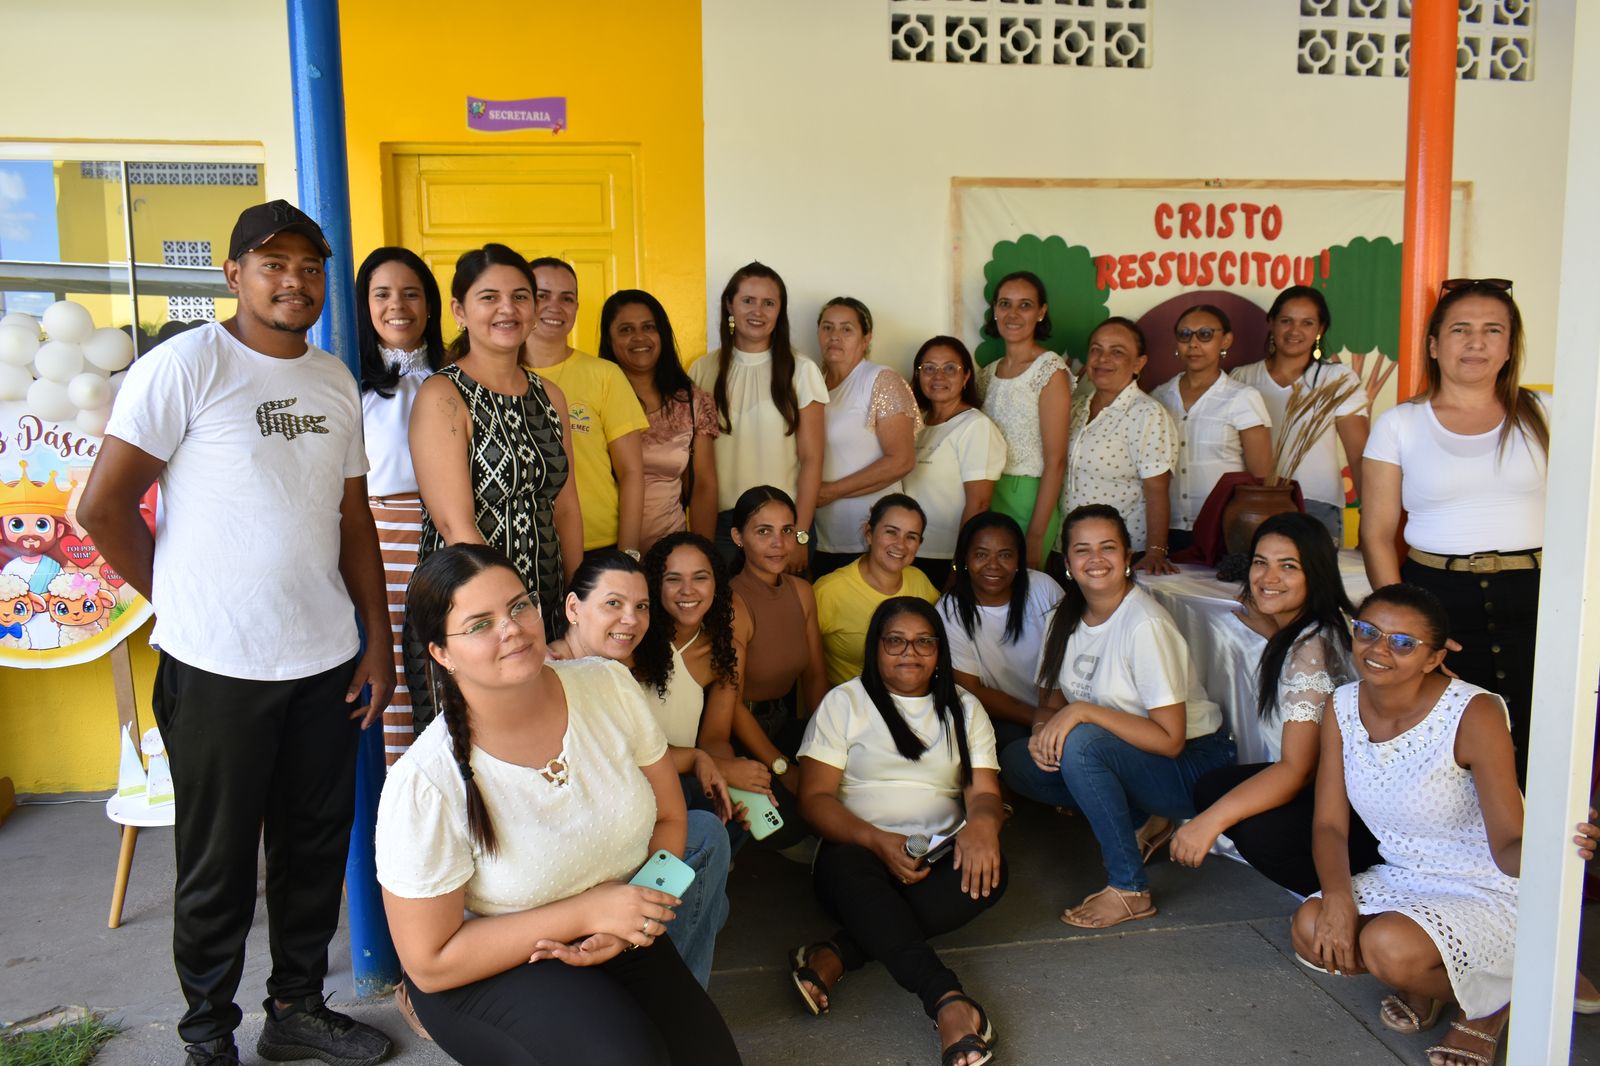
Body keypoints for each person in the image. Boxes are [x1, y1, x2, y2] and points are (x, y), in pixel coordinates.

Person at [78, 200, 395, 1066]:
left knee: (313, 847)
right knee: (217, 862)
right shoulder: (185, 366)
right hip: (218, 665)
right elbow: (101, 507)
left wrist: (377, 638)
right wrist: (179, 601)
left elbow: (353, 518)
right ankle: (207, 1034)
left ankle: (296, 1009)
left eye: (309, 267)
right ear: (234, 275)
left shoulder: (332, 380)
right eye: (273, 264)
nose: (294, 282)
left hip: (324, 660)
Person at [375, 545, 742, 1065]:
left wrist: (636, 918)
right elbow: (431, 961)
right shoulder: (424, 782)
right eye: (480, 624)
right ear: (441, 653)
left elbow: (669, 815)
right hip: (492, 966)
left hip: (615, 927)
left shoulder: (608, 686)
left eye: (518, 606)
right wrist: (589, 911)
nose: (512, 629)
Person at [1290, 584, 1520, 1066]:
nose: (1378, 650)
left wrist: (1558, 850)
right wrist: (1337, 899)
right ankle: (1432, 979)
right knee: (1311, 928)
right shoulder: (1341, 704)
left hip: (1486, 883)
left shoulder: (1474, 712)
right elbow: (1329, 824)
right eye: (1368, 632)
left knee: (1387, 948)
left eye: (1402, 643)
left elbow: (1509, 843)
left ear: (1434, 658)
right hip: (1405, 875)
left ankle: (1491, 1007)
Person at [791, 597, 1004, 1066]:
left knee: (990, 870)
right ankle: (946, 999)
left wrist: (984, 824)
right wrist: (875, 839)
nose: (910, 652)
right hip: (856, 853)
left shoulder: (964, 707)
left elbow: (984, 793)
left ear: (939, 650)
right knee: (853, 871)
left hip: (936, 854)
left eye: (924, 641)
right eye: (896, 641)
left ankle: (837, 952)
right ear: (876, 648)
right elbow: (815, 799)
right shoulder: (845, 703)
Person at [1000, 505, 1233, 930]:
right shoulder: (1063, 617)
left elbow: (1170, 741)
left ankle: (1130, 889)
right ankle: (1145, 819)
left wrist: (1082, 712)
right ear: (1067, 563)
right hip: (1130, 756)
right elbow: (1049, 700)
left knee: (1082, 744)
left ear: (1127, 556)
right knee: (1019, 760)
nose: (1095, 559)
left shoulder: (1144, 625)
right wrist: (1042, 731)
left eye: (1107, 547)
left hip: (1194, 764)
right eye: (1082, 549)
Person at [1359, 279, 1547, 786]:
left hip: (1536, 595)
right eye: (1461, 329)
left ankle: (1534, 835)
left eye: (1493, 330)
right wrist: (1407, 629)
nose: (1476, 342)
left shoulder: (1545, 415)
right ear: (1434, 344)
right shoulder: (1400, 424)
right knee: (1450, 740)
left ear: (1510, 346)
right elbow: (1376, 535)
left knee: (1542, 733)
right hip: (1438, 597)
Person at [545, 548, 734, 989]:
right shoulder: (548, 673)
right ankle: (668, 994)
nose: (630, 619)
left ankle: (663, 984)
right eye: (613, 603)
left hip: (613, 833)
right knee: (706, 849)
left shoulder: (609, 674)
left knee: (710, 861)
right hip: (571, 858)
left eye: (641, 606)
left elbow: (641, 757)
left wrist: (700, 758)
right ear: (574, 608)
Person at [1172, 512, 1373, 894]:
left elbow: (1298, 769)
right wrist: (1276, 634)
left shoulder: (1312, 648)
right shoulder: (1314, 628)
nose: (1268, 577)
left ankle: (1338, 894)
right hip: (1329, 787)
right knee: (1212, 787)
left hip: (1354, 812)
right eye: (1260, 562)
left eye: (1288, 566)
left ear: (1315, 573)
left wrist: (1209, 823)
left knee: (1255, 830)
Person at [409, 243, 582, 636]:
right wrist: (515, 609)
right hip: (471, 609)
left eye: (520, 297)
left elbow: (567, 507)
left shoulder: (550, 395)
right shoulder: (443, 396)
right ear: (459, 311)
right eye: (489, 297)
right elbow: (455, 526)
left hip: (548, 597)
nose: (508, 309)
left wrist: (578, 598)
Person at [356, 246, 447, 763]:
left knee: (446, 663)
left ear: (430, 305)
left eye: (411, 293)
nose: (398, 306)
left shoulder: (457, 378)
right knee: (387, 665)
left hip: (446, 534)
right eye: (383, 294)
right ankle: (396, 791)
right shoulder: (348, 381)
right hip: (377, 542)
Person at [688, 262, 827, 572]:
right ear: (730, 305)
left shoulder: (802, 371)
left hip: (784, 526)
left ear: (780, 311)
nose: (758, 311)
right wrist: (701, 539)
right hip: (722, 527)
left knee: (786, 605)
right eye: (748, 300)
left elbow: (813, 459)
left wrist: (800, 534)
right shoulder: (702, 370)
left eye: (769, 303)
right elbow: (694, 463)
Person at [521, 257, 649, 557]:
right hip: (524, 542)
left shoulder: (604, 374)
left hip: (598, 543)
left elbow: (632, 473)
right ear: (522, 301)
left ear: (576, 307)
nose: (555, 307)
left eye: (566, 298)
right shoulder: (496, 376)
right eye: (542, 296)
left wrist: (628, 555)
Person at [1232, 286, 1368, 541]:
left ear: (1320, 329)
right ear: (1271, 323)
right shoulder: (1243, 378)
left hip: (1316, 506)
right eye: (1286, 321)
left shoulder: (1338, 379)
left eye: (1307, 323)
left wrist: (1370, 517)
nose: (1295, 331)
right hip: (1256, 504)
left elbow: (1359, 456)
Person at [598, 289, 719, 552]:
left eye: (648, 327)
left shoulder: (692, 403)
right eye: (626, 329)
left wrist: (703, 556)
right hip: (604, 550)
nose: (639, 337)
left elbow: (703, 487)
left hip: (670, 553)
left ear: (662, 333)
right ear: (609, 339)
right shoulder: (593, 398)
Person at [727, 485, 829, 796]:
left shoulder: (802, 592)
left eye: (787, 530)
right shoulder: (731, 602)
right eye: (763, 532)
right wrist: (782, 767)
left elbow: (814, 676)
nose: (778, 543)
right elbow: (729, 704)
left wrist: (825, 743)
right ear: (738, 537)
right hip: (738, 734)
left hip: (785, 723)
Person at [938, 512, 1064, 755]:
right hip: (1007, 715)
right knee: (1011, 751)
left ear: (1018, 559)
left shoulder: (1043, 588)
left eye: (1005, 555)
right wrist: (1039, 719)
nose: (993, 565)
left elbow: (1068, 657)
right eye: (981, 554)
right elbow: (971, 689)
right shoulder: (950, 610)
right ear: (965, 558)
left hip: (1062, 709)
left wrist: (1056, 718)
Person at [812, 297, 919, 578]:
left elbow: (902, 460)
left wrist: (831, 491)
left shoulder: (879, 379)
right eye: (827, 327)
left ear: (866, 338)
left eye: (846, 329)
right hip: (822, 535)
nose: (835, 336)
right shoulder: (813, 383)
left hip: (873, 538)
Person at [1149, 304, 1272, 549]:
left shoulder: (1242, 397)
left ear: (1226, 340)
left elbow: (1262, 475)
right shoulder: (1159, 398)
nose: (1193, 344)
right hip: (1168, 529)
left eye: (1205, 334)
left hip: (1224, 529)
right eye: (1185, 335)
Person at [1063, 318, 1176, 575]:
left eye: (1117, 352)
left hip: (1119, 554)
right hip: (1072, 549)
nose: (1103, 359)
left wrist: (1156, 552)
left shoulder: (1147, 413)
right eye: (1096, 349)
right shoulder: (1075, 408)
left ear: (1138, 364)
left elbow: (1157, 490)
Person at [976, 271, 1072, 570]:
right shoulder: (987, 373)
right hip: (986, 492)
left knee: (1022, 585)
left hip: (1029, 499)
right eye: (1005, 303)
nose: (1013, 314)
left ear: (1041, 312)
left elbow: (1056, 461)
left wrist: (1036, 534)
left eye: (1025, 305)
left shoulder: (1050, 371)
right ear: (995, 310)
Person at [903, 336, 1007, 590]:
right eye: (928, 368)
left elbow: (979, 504)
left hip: (944, 555)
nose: (938, 376)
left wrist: (959, 564)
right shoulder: (916, 423)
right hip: (907, 551)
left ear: (966, 376)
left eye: (950, 368)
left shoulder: (975, 426)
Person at [814, 493, 940, 687]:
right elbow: (807, 666)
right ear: (869, 533)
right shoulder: (829, 591)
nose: (900, 544)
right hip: (848, 703)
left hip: (908, 699)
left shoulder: (919, 581)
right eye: (891, 532)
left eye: (911, 537)